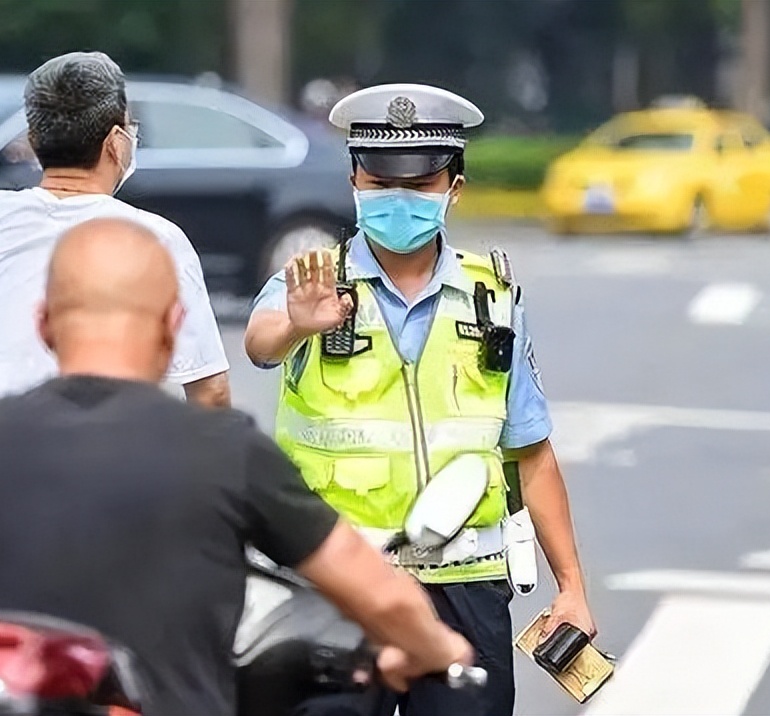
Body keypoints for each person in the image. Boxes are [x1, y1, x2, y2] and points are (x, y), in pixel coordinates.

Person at [0, 217, 474, 716]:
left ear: (44, 324)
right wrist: (438, 650)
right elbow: (376, 593)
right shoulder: (224, 448)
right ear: (173, 327)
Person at [242, 84, 598, 716]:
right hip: (339, 585)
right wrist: (298, 323)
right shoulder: (313, 281)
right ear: (354, 179)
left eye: (418, 185)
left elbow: (531, 452)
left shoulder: (495, 300)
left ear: (453, 189)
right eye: (378, 183)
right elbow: (261, 344)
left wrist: (571, 587)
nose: (396, 199)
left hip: (466, 585)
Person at [0, 51, 230, 410]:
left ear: (33, 141)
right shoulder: (154, 239)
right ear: (116, 141)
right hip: (103, 453)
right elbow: (211, 392)